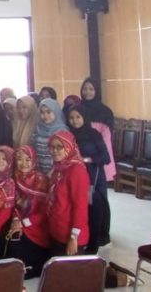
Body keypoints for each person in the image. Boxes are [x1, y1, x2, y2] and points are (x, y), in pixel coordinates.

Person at [65, 106, 111, 253]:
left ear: (84, 117)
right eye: (71, 118)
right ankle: (82, 239)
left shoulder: (93, 134)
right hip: (76, 177)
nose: (75, 121)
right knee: (80, 208)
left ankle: (96, 242)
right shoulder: (69, 135)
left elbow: (106, 158)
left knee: (94, 208)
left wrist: (87, 159)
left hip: (93, 176)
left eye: (78, 117)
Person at [7, 146, 51, 279]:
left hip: (38, 224)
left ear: (34, 161)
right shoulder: (14, 177)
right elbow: (13, 203)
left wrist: (24, 223)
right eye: (20, 159)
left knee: (21, 242)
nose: (24, 163)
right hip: (19, 219)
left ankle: (32, 268)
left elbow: (45, 211)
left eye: (28, 159)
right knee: (13, 239)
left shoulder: (41, 180)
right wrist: (16, 220)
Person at [46, 130, 90, 256]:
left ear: (69, 146)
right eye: (52, 147)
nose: (55, 150)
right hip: (57, 230)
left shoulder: (77, 170)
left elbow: (80, 206)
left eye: (60, 146)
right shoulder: (58, 168)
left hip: (71, 237)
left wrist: (74, 237)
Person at [35, 98, 68, 174]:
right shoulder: (38, 129)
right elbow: (34, 149)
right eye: (42, 112)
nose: (45, 115)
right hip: (39, 171)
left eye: (48, 112)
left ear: (56, 112)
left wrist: (54, 170)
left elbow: (66, 154)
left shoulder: (63, 132)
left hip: (57, 171)